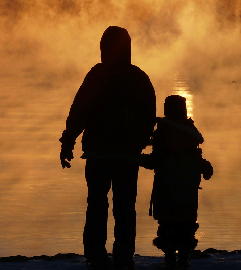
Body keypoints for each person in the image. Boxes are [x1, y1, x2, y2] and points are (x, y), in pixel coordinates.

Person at [59, 26, 156, 270]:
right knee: (124, 207)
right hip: (126, 156)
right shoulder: (139, 78)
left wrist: (68, 141)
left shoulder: (97, 74)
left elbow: (79, 110)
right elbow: (149, 117)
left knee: (97, 204)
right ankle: (123, 256)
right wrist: (139, 143)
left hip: (98, 154)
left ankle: (95, 255)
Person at [141, 95, 213, 269]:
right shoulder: (190, 131)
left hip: (165, 187)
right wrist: (206, 168)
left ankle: (169, 258)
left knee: (167, 224)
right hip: (188, 189)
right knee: (187, 224)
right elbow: (197, 159)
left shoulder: (162, 132)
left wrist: (135, 158)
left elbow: (155, 161)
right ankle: (183, 258)